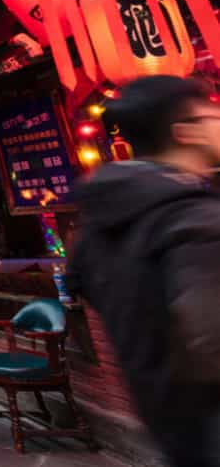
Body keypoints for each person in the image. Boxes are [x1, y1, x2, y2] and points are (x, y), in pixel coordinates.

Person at [69, 76, 220, 467]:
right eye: (211, 114)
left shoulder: (100, 220)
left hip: (167, 425)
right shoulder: (193, 218)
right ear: (184, 132)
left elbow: (83, 284)